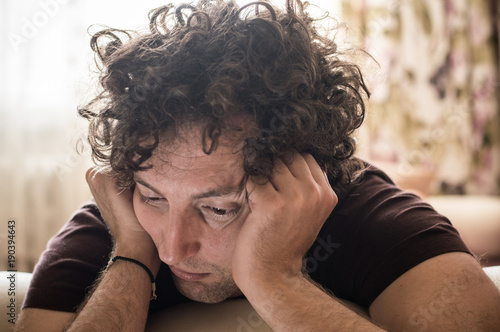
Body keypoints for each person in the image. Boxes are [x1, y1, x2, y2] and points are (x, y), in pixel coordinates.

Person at [15, 0, 500, 331]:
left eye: (219, 208)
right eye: (154, 198)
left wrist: (273, 277)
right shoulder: (117, 222)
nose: (173, 246)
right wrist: (131, 255)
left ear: (302, 178)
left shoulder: (368, 216)